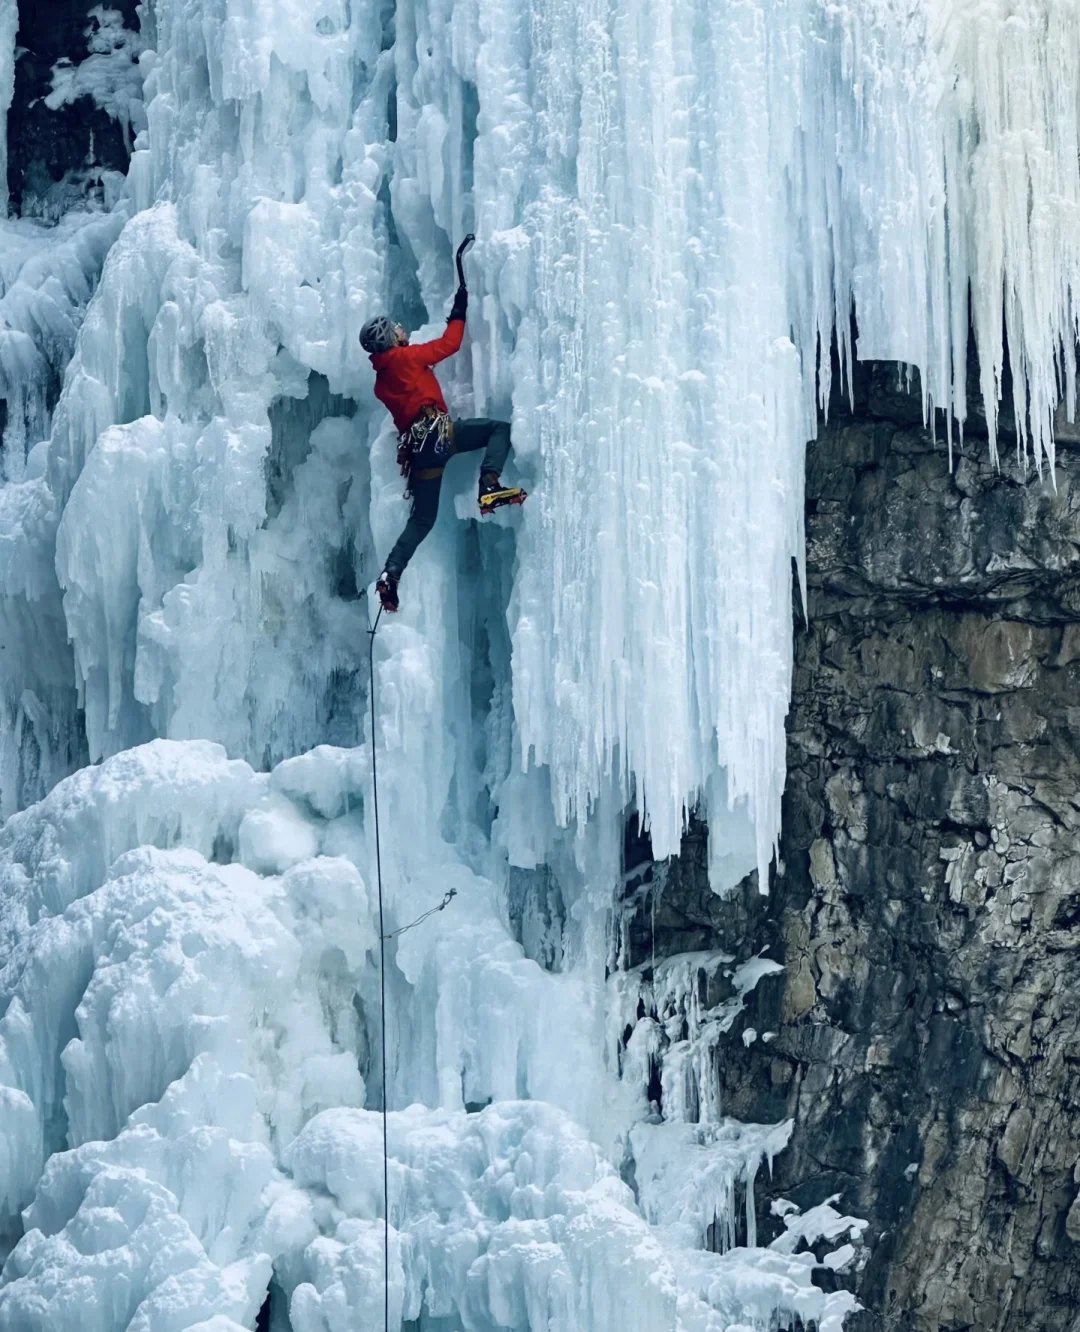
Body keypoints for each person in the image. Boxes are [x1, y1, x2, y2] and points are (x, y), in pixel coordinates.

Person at [360, 240, 525, 613]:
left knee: (422, 519)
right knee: (498, 429)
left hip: (420, 454)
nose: (402, 331)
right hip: (438, 434)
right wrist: (460, 306)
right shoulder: (404, 357)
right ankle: (489, 485)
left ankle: (391, 573)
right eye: (396, 330)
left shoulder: (381, 381)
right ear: (390, 339)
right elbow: (449, 344)